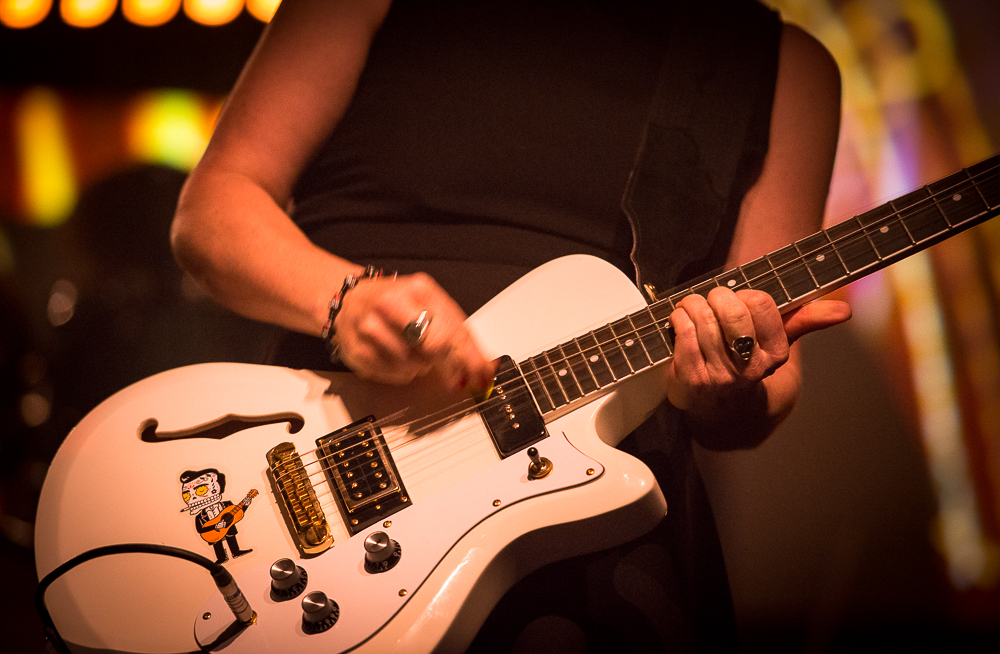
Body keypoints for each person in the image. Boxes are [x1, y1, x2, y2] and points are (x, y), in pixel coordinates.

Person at [171, 0, 849, 650]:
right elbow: (212, 211)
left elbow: (769, 385)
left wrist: (722, 384)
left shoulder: (786, 68)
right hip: (321, 459)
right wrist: (343, 299)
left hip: (589, 532)